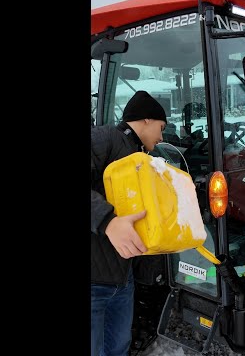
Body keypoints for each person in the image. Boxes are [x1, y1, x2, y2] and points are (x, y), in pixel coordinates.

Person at [91, 90, 167, 356]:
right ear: (146, 119)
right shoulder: (105, 138)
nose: (161, 137)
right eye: (161, 127)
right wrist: (108, 222)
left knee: (118, 349)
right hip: (94, 284)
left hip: (123, 282)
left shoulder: (143, 159)